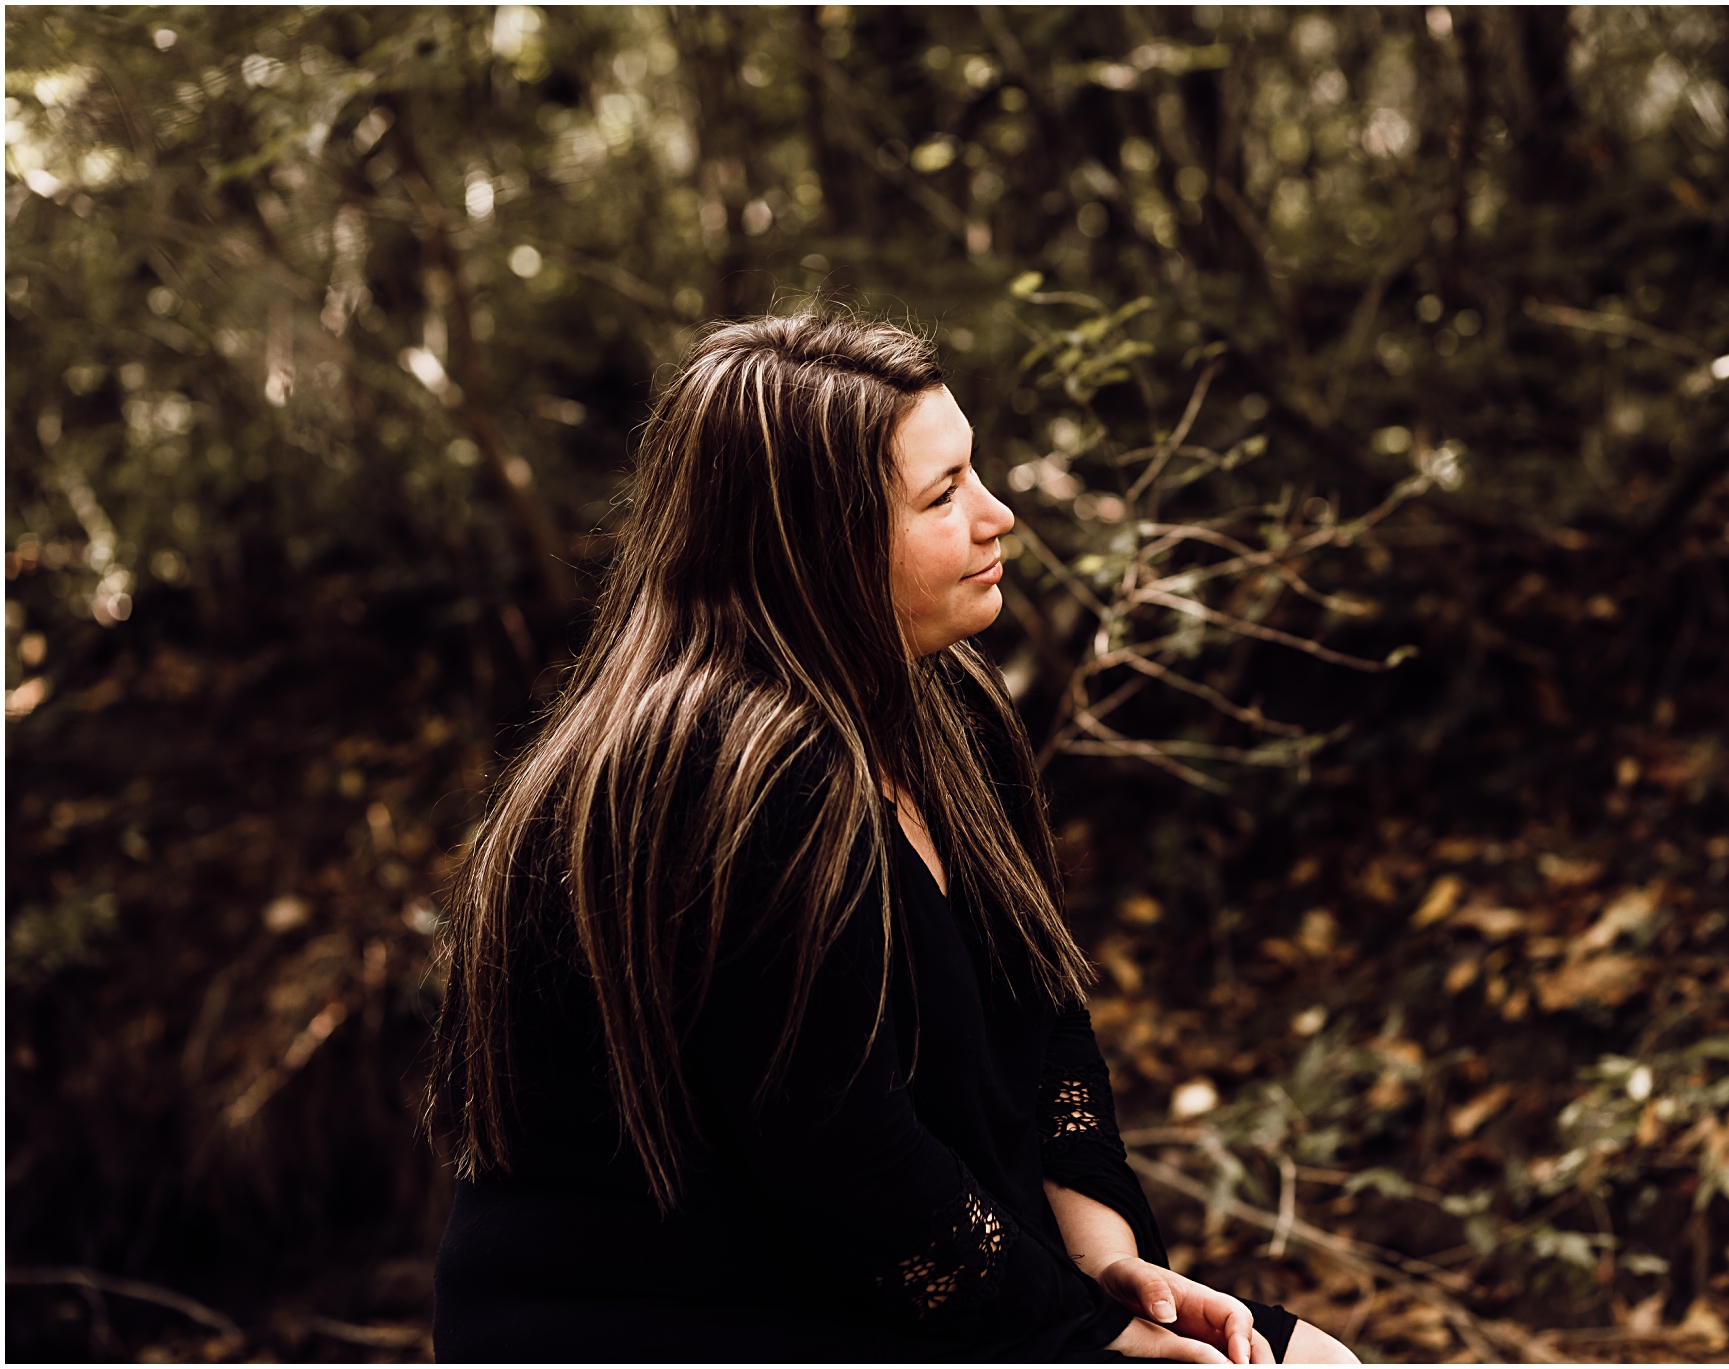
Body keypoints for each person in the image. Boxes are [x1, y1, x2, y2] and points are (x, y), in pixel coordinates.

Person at [428, 312, 1359, 1363]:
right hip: (682, 1322)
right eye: (941, 493)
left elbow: (1047, 1023)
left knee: (1308, 1357)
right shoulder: (717, 783)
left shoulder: (947, 707)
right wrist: (1085, 1338)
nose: (997, 514)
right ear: (814, 548)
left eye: (974, 470)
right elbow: (848, 1165)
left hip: (882, 1279)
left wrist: (1108, 1264)